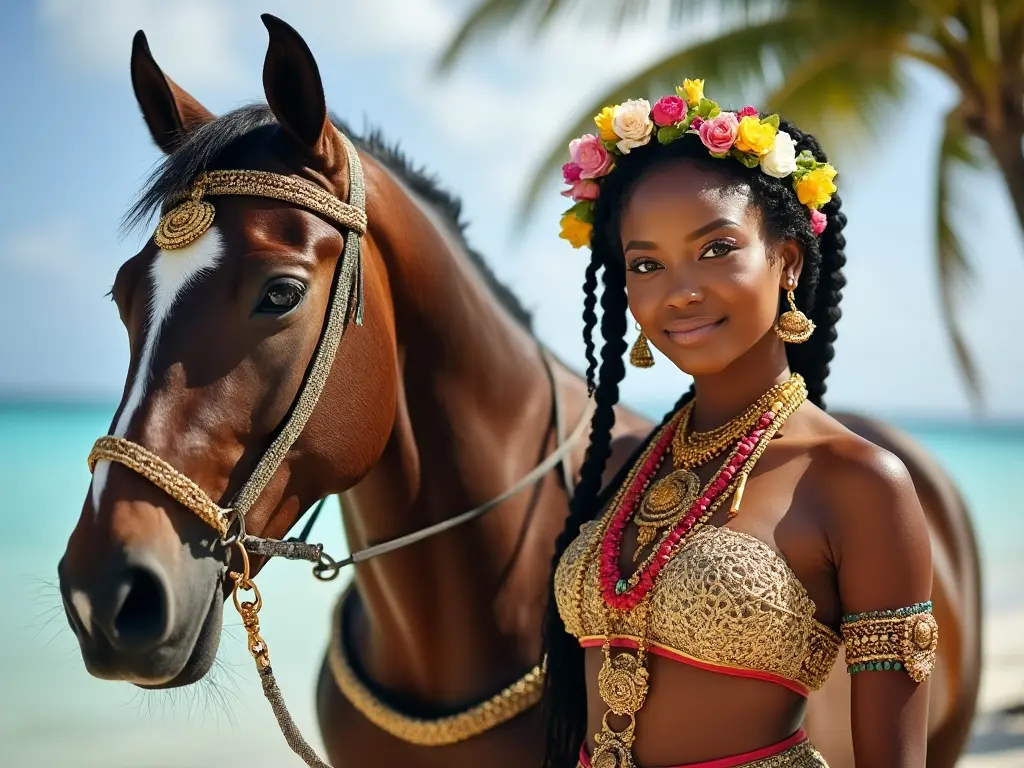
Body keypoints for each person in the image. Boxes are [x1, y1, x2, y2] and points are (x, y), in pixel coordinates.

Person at [544, 80, 938, 768]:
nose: (681, 289)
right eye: (647, 263)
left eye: (716, 248)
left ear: (786, 260)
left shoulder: (857, 484)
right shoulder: (624, 466)